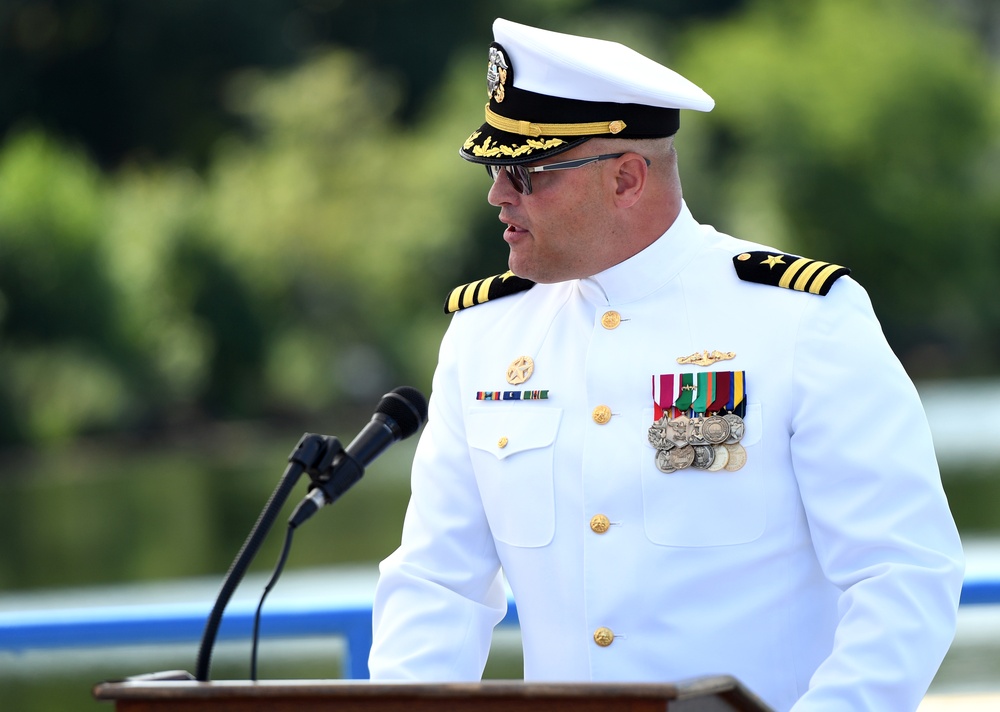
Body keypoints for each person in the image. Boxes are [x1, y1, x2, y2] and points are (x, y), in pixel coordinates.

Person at [368, 17, 965, 712]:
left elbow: (904, 574)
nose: (498, 195)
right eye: (496, 170)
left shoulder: (802, 318)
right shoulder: (485, 335)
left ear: (626, 178)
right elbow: (438, 583)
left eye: (525, 173)